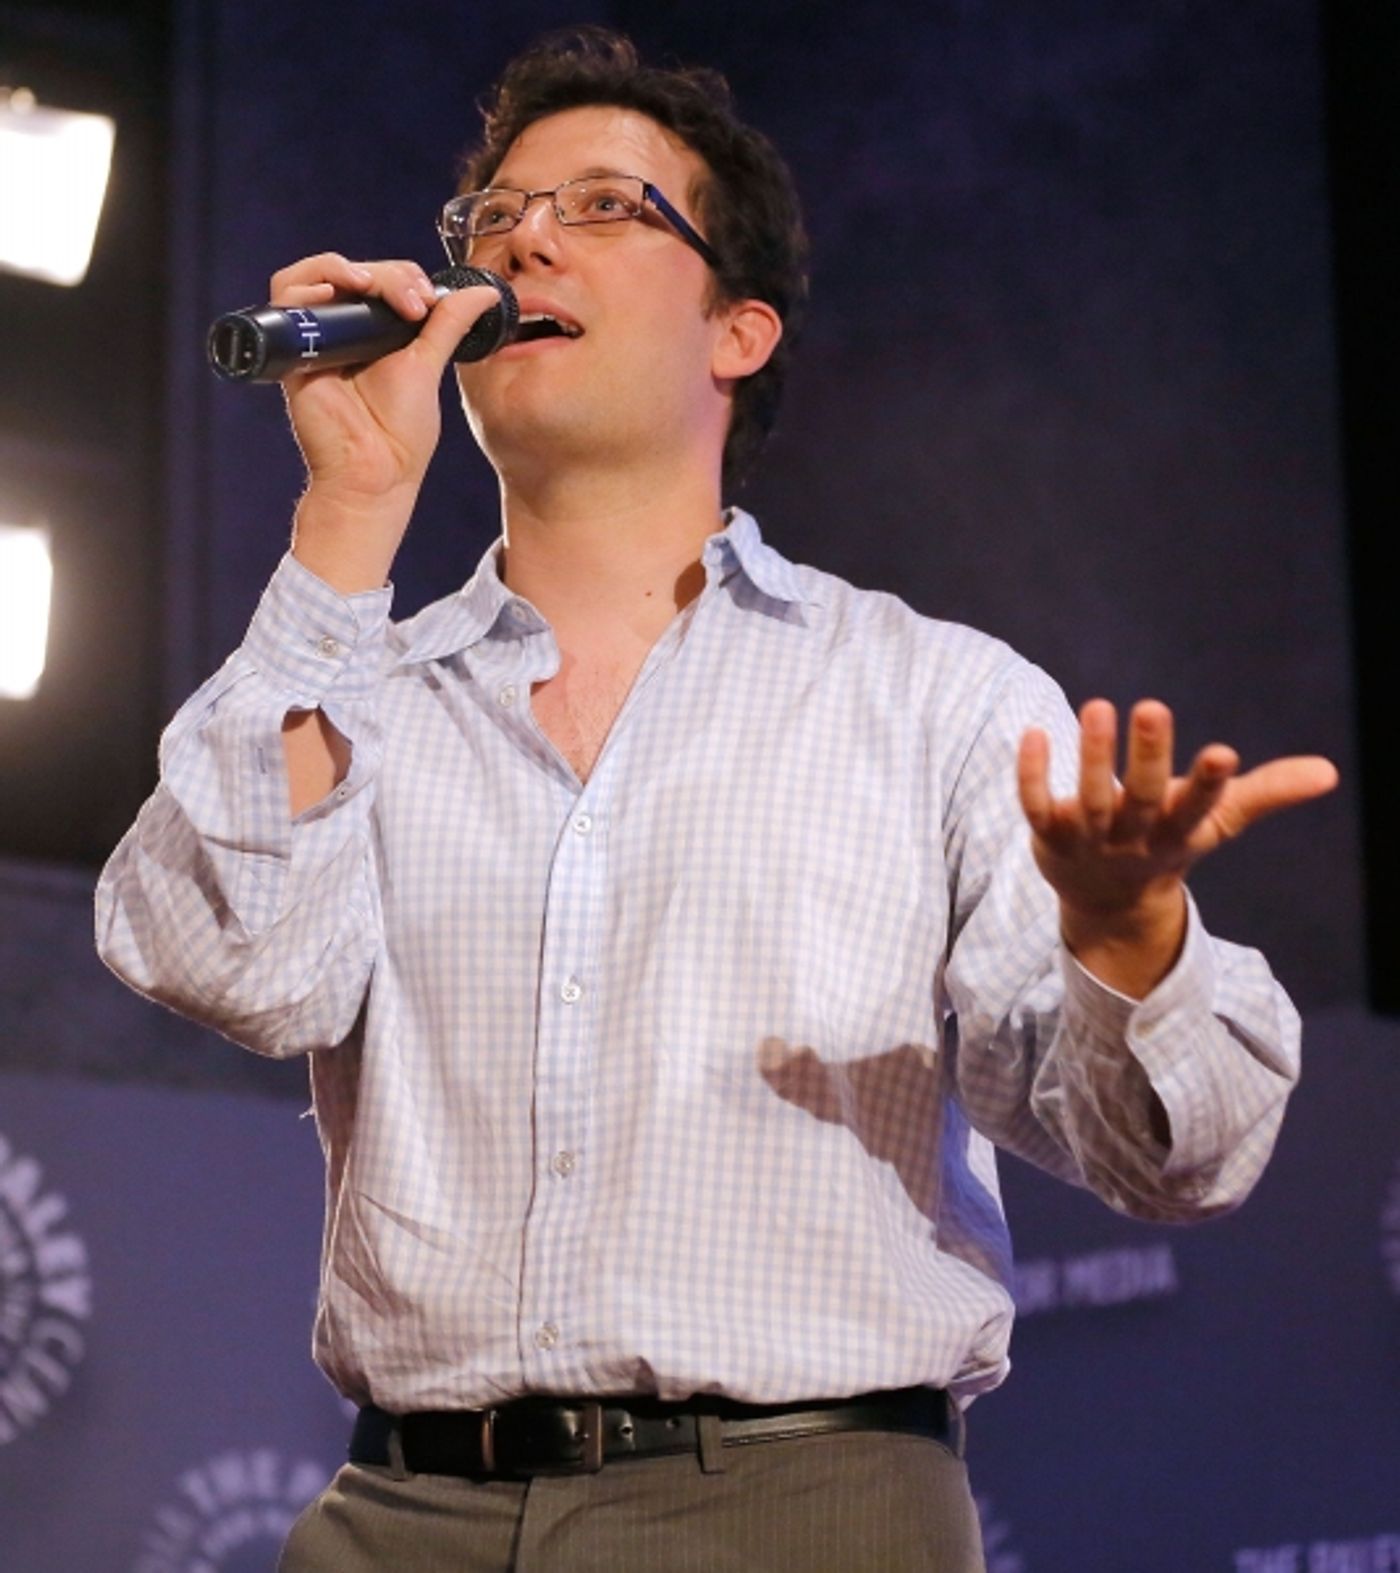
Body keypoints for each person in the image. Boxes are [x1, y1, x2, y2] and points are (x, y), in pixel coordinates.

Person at [95, 26, 1337, 1573]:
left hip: (796, 1505)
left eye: (604, 207)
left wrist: (1134, 934)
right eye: (494, 216)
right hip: (396, 1514)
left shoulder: (932, 697)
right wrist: (349, 511)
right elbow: (225, 962)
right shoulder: (367, 697)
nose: (524, 235)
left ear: (736, 331)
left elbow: (1179, 1153)